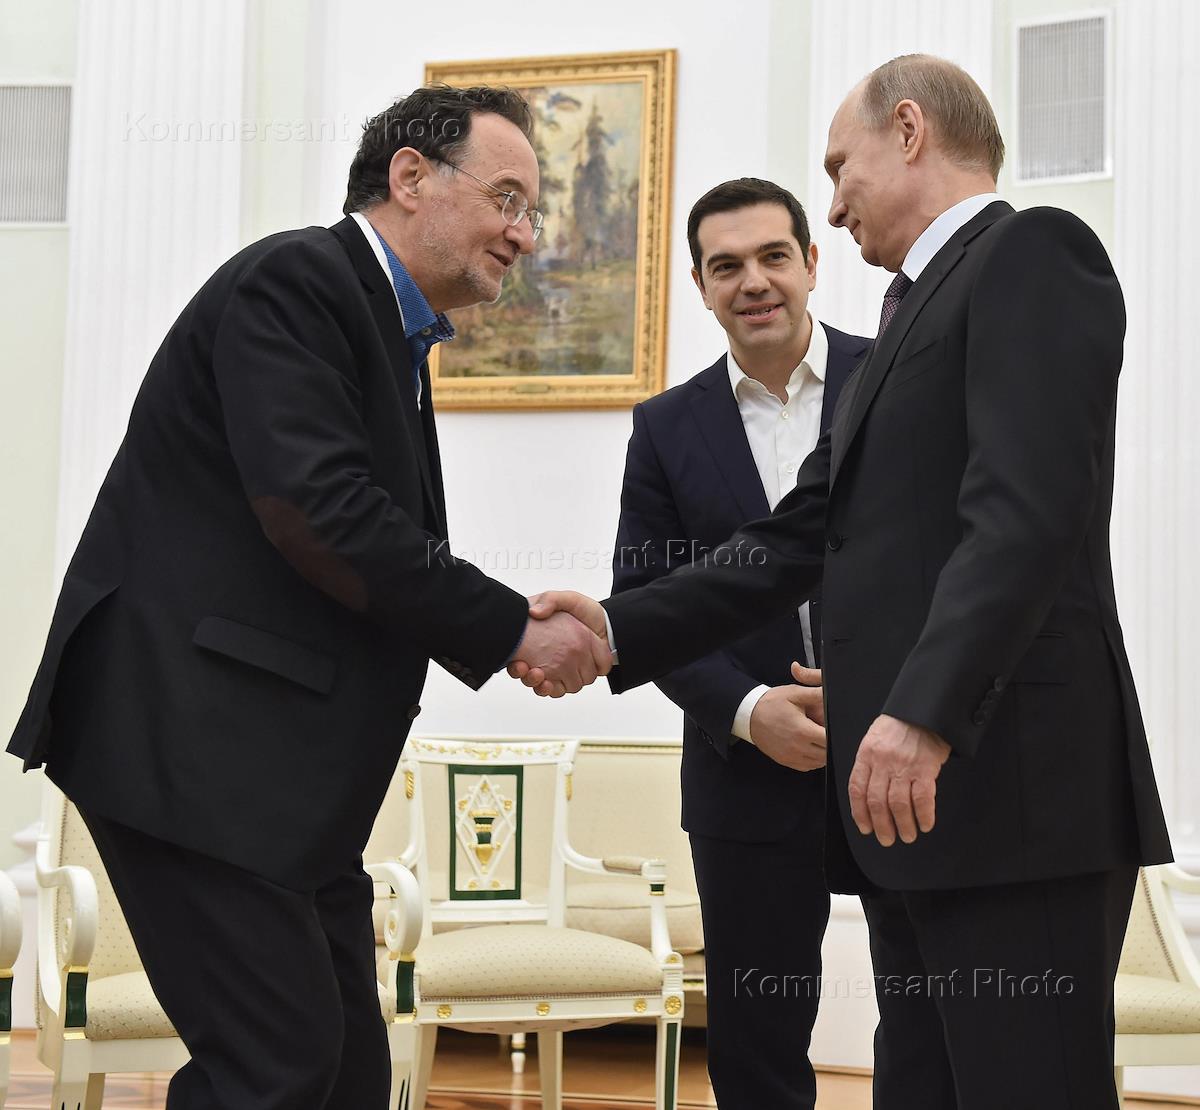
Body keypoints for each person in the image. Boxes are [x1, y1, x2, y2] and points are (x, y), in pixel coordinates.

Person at [514, 55, 1172, 1109]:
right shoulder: (913, 315)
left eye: (838, 168)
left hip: (1011, 797)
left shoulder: (1031, 253)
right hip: (920, 818)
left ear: (908, 131)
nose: (833, 202)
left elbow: (1026, 518)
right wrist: (618, 626)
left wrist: (922, 711)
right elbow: (794, 538)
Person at [7, 85, 609, 1109]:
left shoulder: (385, 327)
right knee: (276, 1067)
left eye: (534, 211)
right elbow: (320, 510)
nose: (524, 232)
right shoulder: (297, 281)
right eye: (507, 198)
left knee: (341, 1076)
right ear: (411, 177)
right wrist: (511, 625)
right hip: (193, 748)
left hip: (278, 784)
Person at [610, 177, 869, 1109]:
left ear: (811, 263)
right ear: (701, 286)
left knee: (939, 1016)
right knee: (758, 1046)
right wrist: (752, 711)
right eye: (726, 266)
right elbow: (644, 605)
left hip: (903, 753)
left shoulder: (897, 377)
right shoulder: (665, 427)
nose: (753, 281)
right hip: (745, 775)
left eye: (772, 257)